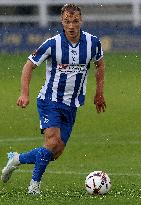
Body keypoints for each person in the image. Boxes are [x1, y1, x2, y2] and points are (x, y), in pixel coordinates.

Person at [1, 3, 106, 194]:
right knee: (51, 143)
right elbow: (28, 66)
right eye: (67, 21)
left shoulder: (93, 42)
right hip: (50, 101)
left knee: (54, 152)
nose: (72, 26)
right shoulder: (52, 43)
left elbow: (100, 65)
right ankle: (34, 187)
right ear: (62, 21)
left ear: (81, 20)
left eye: (75, 21)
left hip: (73, 104)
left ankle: (16, 159)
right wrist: (24, 93)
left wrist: (99, 93)